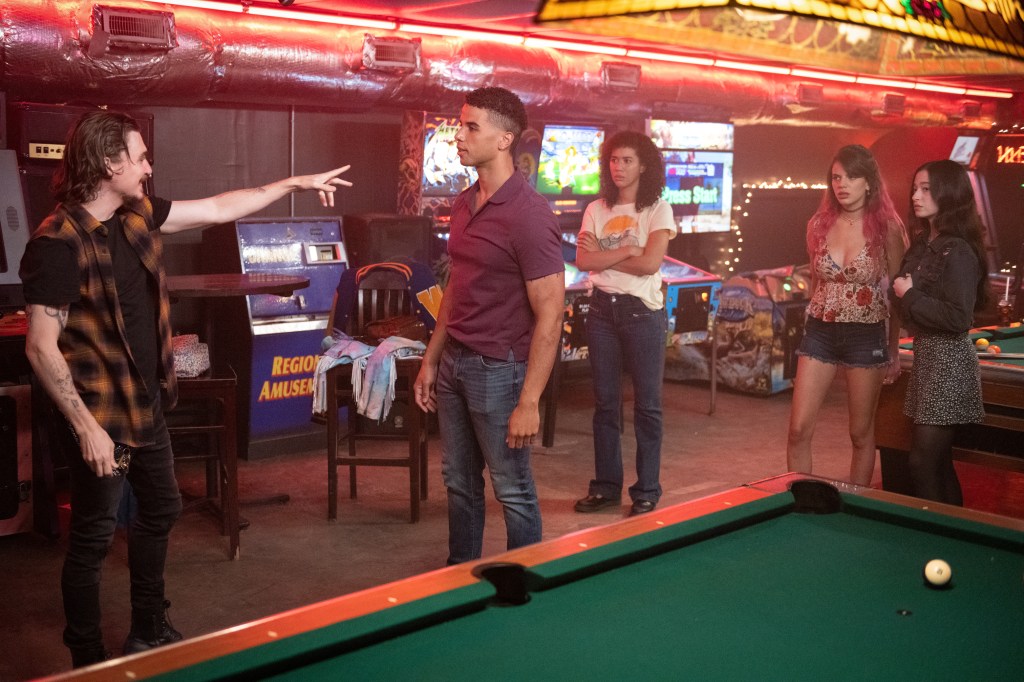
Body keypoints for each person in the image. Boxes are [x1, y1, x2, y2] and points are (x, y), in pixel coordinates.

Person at [19, 110, 350, 668]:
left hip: (145, 402)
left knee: (161, 506)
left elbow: (219, 207)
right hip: (99, 413)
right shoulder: (56, 243)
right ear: (109, 163)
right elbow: (40, 347)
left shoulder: (137, 214)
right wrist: (86, 429)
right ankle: (87, 658)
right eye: (140, 157)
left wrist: (293, 183)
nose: (148, 167)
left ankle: (148, 627)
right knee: (94, 536)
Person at [412, 87, 564, 565]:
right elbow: (456, 287)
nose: (458, 135)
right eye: (460, 125)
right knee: (458, 482)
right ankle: (461, 579)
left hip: (500, 371)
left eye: (471, 127)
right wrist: (432, 359)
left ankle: (523, 583)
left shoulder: (530, 215)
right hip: (455, 363)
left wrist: (530, 401)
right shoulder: (464, 203)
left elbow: (551, 314)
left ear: (504, 140)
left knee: (512, 488)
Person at [787, 145, 908, 486]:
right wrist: (811, 319)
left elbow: (899, 292)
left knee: (860, 432)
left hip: (865, 334)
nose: (841, 185)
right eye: (836, 177)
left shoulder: (887, 228)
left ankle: (856, 502)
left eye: (851, 177)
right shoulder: (818, 224)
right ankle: (802, 501)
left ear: (869, 182)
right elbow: (816, 281)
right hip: (820, 331)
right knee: (798, 429)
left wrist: (893, 348)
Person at [572, 130, 675, 517]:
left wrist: (608, 252)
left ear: (643, 166)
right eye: (614, 160)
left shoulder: (658, 209)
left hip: (642, 312)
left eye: (627, 160)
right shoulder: (596, 209)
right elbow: (583, 261)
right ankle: (606, 488)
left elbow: (650, 264)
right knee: (605, 405)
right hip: (601, 310)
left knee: (647, 407)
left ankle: (646, 490)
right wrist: (631, 247)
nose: (619, 167)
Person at [891, 159, 989, 504]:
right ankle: (950, 527)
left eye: (926, 189)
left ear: (948, 193)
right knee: (938, 463)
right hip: (928, 356)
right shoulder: (922, 242)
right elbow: (902, 295)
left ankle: (934, 530)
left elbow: (958, 318)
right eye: (915, 188)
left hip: (949, 360)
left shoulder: (958, 249)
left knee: (922, 463)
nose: (916, 196)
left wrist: (909, 295)